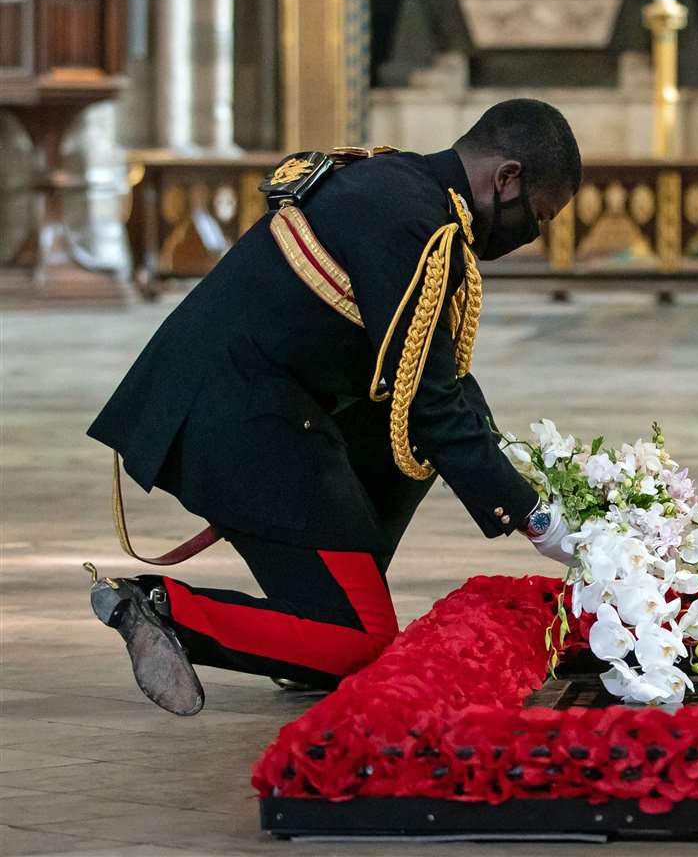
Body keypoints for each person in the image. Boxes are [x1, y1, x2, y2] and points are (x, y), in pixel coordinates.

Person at [85, 100, 581, 714]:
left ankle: (307, 633)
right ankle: (160, 608)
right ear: (506, 177)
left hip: (262, 400)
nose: (532, 233)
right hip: (236, 414)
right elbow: (431, 404)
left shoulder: (403, 185)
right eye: (536, 215)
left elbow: (443, 383)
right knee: (363, 646)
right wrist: (537, 519)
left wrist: (531, 478)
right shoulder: (415, 224)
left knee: (408, 447)